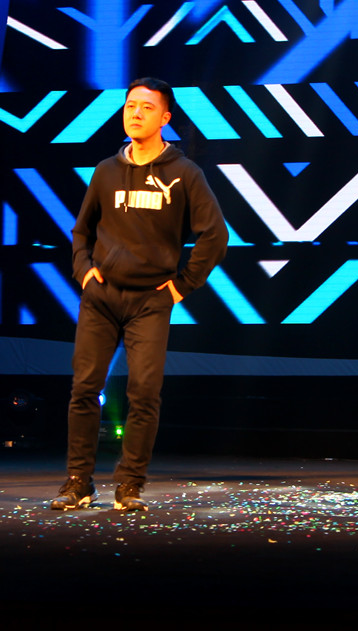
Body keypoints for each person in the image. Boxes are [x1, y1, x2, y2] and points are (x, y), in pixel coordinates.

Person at [50, 78, 227, 514]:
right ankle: (78, 482)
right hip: (101, 297)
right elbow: (81, 230)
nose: (136, 113)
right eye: (130, 105)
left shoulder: (185, 173)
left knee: (144, 393)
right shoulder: (106, 170)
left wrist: (183, 285)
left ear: (165, 118)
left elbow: (215, 235)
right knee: (84, 388)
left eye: (147, 107)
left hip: (150, 300)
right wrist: (84, 271)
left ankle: (130, 484)